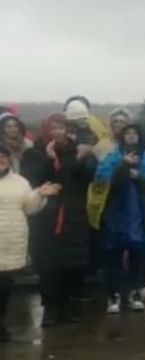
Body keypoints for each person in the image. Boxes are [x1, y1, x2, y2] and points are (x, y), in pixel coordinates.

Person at [90, 124, 145, 314]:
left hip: (141, 215)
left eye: (135, 133)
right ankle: (114, 295)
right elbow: (102, 183)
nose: (131, 137)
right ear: (122, 137)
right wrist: (123, 166)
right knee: (113, 257)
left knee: (139, 256)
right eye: (127, 134)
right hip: (116, 215)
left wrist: (140, 177)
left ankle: (135, 293)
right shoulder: (113, 157)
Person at [32, 114, 97, 324]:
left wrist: (83, 159)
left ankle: (68, 305)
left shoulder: (79, 151)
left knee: (72, 264)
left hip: (74, 214)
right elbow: (34, 178)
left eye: (60, 127)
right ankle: (50, 308)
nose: (57, 132)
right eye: (53, 128)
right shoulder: (36, 151)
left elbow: (89, 177)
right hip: (47, 216)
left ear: (67, 130)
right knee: (49, 265)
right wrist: (49, 159)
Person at [0, 146, 59, 342]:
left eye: (3, 157)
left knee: (5, 286)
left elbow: (30, 208)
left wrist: (40, 194)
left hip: (11, 240)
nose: (1, 160)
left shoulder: (20, 182)